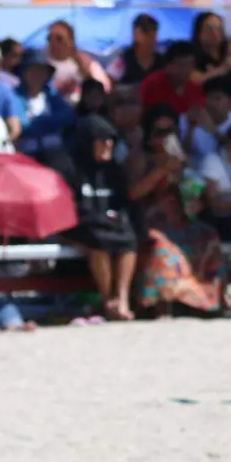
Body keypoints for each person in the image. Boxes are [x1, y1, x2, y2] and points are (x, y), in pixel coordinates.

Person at [126, 104, 225, 315]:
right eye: (160, 132)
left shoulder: (181, 158)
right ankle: (161, 301)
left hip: (179, 218)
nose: (165, 137)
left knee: (207, 235)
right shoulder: (139, 158)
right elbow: (134, 193)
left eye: (170, 131)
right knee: (161, 244)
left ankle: (205, 300)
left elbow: (190, 194)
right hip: (148, 220)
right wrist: (162, 170)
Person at [57, 115, 138, 320]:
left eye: (111, 140)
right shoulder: (69, 167)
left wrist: (117, 217)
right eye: (102, 140)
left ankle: (122, 298)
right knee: (98, 241)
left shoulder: (114, 170)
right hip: (79, 226)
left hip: (109, 224)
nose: (108, 144)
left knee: (129, 239)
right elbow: (68, 206)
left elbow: (122, 202)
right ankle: (107, 299)